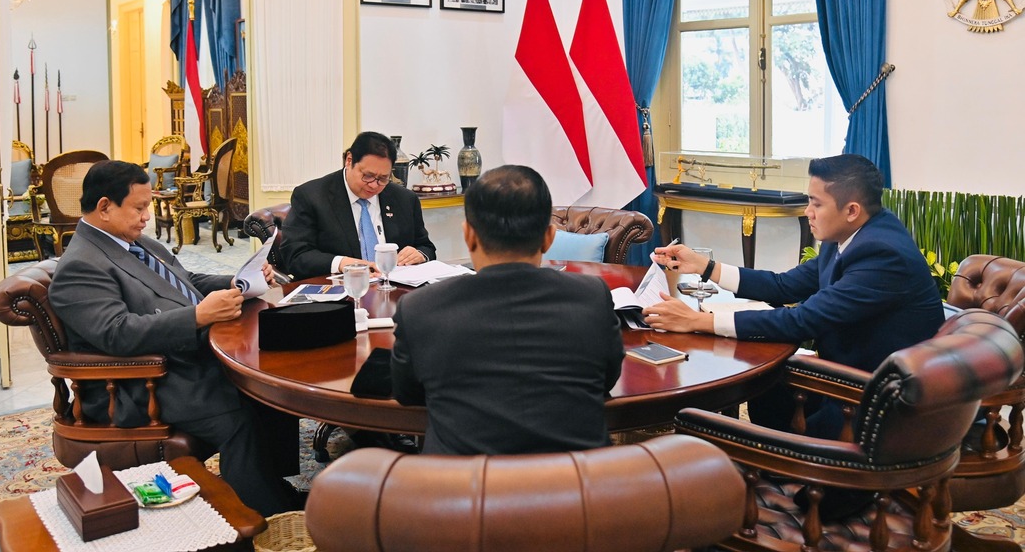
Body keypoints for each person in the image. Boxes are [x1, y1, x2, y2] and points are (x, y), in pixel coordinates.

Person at [47, 161, 298, 516]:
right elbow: (117, 333)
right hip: (140, 383)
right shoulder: (81, 265)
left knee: (271, 386)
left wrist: (238, 281)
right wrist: (198, 316)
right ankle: (262, 515)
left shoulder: (131, 240)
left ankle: (273, 487)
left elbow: (184, 279)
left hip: (180, 360)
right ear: (104, 207)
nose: (146, 217)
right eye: (139, 208)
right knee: (239, 413)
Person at [645, 153, 945, 440]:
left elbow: (802, 321)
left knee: (706, 425)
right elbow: (784, 286)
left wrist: (698, 321)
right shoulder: (852, 233)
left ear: (851, 210)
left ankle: (777, 463)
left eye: (816, 203)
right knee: (765, 386)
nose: (807, 211)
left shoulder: (882, 255)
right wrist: (705, 266)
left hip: (871, 406)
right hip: (845, 378)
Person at [390, 165, 624, 455]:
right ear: (549, 238)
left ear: (468, 235)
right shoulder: (592, 298)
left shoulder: (419, 308)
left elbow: (407, 393)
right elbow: (607, 379)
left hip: (459, 480)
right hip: (575, 478)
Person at [280, 131, 436, 280]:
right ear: (349, 161)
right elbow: (295, 256)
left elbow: (426, 247)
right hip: (341, 290)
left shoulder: (405, 199)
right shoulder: (311, 196)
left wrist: (419, 254)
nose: (374, 185)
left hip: (395, 289)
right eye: (368, 176)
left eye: (383, 178)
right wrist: (342, 263)